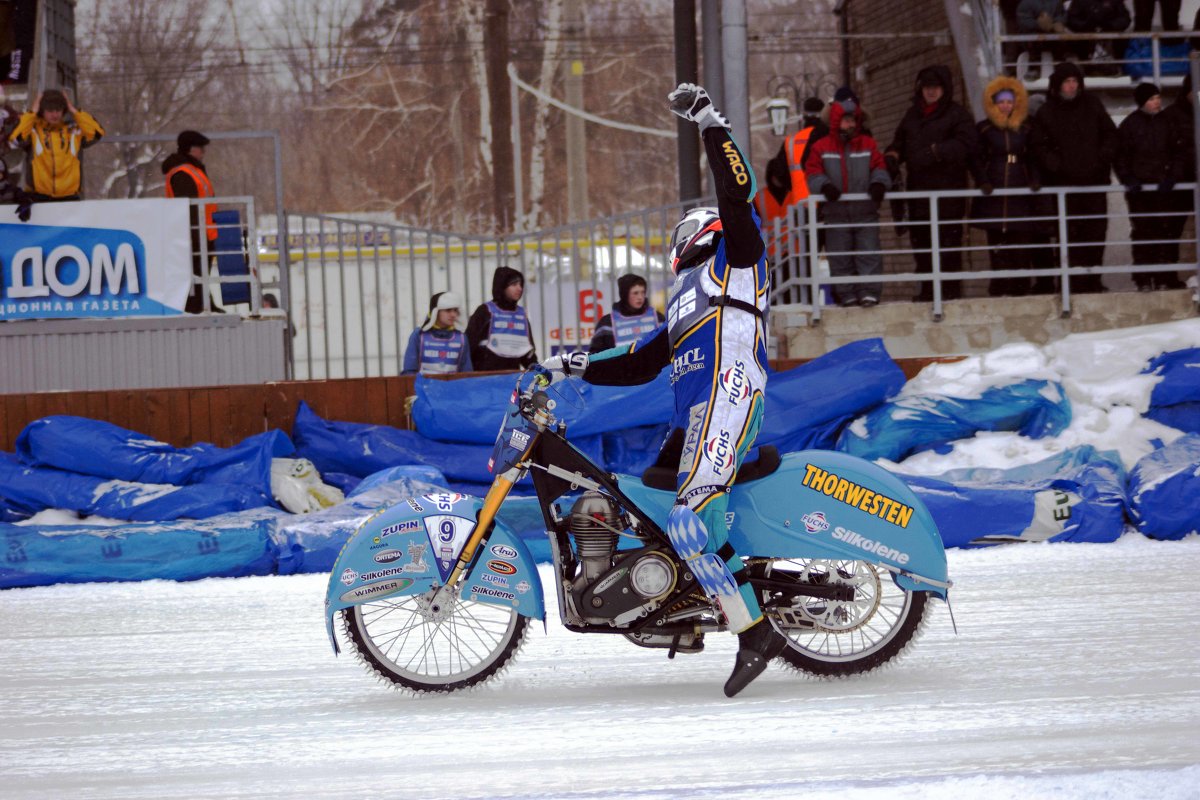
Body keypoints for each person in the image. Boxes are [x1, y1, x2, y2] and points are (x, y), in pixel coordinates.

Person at [536, 83, 784, 698]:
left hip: (729, 397)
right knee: (647, 492)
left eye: (680, 238)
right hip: (698, 413)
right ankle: (681, 591)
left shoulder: (737, 261)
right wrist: (571, 363)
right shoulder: (683, 303)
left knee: (691, 518)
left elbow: (738, 196)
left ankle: (757, 633)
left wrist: (709, 123)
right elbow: (637, 362)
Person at [885, 65, 978, 302]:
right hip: (919, 193)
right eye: (927, 87)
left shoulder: (957, 114)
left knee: (948, 245)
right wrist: (893, 156)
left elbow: (966, 145)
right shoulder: (912, 116)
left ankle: (949, 291)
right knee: (922, 244)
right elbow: (899, 143)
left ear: (944, 89)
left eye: (935, 87)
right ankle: (927, 289)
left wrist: (937, 152)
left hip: (949, 192)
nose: (931, 92)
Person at [1031, 62, 1116, 295]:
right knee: (1069, 235)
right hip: (1063, 187)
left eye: (1075, 81)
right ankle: (1073, 283)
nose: (1071, 86)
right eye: (1067, 81)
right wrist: (1055, 165)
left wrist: (1101, 159)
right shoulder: (1046, 111)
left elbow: (1110, 135)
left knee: (1095, 233)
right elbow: (1038, 146)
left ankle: (1093, 280)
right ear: (1057, 84)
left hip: (1094, 183)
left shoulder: (1093, 105)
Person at [805, 87, 891, 307]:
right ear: (836, 121)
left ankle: (869, 291)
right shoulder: (821, 147)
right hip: (836, 212)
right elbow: (813, 172)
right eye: (846, 121)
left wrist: (879, 183)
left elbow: (879, 167)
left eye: (853, 120)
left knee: (868, 253)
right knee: (839, 255)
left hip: (865, 211)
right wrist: (825, 187)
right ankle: (847, 294)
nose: (850, 125)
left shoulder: (868, 144)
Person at [969, 76, 1054, 297]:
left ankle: (1020, 286)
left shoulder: (1025, 128)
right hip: (994, 189)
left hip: (1020, 189)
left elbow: (1034, 156)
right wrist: (983, 181)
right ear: (994, 104)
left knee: (1021, 243)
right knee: (997, 244)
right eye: (1001, 102)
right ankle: (999, 285)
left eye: (1009, 101)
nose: (1006, 106)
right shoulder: (984, 129)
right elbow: (976, 159)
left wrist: (1034, 179)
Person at [1114, 83, 1189, 291]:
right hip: (1141, 192)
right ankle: (1144, 277)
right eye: (1151, 99)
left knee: (1167, 232)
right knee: (1143, 232)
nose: (1157, 102)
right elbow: (1120, 157)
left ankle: (1166, 276)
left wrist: (1173, 177)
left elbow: (1178, 153)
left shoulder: (1168, 123)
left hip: (1164, 190)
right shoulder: (1130, 125)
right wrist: (1128, 178)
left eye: (1157, 97)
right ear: (1141, 102)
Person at [162, 130, 221, 313]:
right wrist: (196, 235)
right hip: (196, 235)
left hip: (204, 232)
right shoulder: (183, 172)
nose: (203, 152)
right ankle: (197, 307)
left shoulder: (192, 170)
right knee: (195, 272)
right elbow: (189, 208)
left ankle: (204, 304)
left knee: (201, 272)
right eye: (200, 148)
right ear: (190, 149)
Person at [8, 89, 104, 201]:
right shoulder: (33, 131)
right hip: (39, 198)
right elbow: (15, 139)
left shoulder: (74, 131)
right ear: (42, 110)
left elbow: (97, 133)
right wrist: (32, 112)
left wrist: (73, 110)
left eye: (58, 109)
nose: (55, 114)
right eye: (50, 110)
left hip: (70, 198)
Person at [466, 266, 538, 371]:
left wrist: (537, 370)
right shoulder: (485, 311)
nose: (519, 289)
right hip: (484, 377)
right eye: (514, 284)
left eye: (521, 285)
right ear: (502, 286)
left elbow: (526, 351)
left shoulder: (521, 315)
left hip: (512, 377)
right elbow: (469, 345)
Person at [588, 273, 664, 353]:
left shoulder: (658, 319)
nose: (640, 297)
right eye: (635, 293)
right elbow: (596, 355)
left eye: (642, 292)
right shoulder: (607, 324)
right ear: (624, 294)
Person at [403, 291, 473, 374]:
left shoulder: (461, 338)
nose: (453, 314)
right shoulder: (419, 335)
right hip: (423, 387)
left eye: (455, 310)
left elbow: (466, 373)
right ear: (435, 312)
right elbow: (409, 371)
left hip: (452, 387)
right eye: (448, 310)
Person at [1065, 0, 1131, 74]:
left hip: (1111, 42)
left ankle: (1113, 69)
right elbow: (1071, 20)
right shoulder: (1079, 1)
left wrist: (1110, 26)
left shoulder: (1115, 1)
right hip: (1085, 42)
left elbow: (1125, 19)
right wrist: (1086, 26)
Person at [1015, 0, 1067, 80]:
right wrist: (1038, 24)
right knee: (1033, 41)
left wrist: (1058, 22)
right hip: (1034, 38)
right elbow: (1023, 21)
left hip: (1052, 35)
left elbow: (1062, 15)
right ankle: (1034, 69)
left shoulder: (1056, 2)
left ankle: (1062, 70)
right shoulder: (1025, 3)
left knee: (1062, 40)